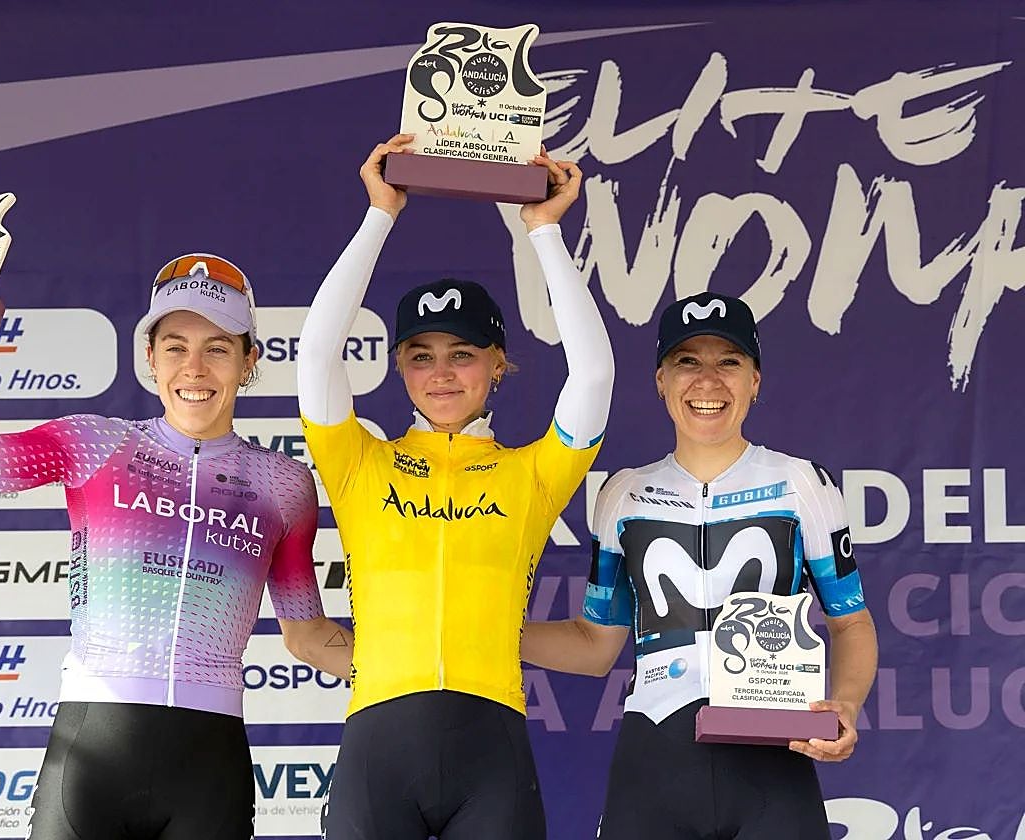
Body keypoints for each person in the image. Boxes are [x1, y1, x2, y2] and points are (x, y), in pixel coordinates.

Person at [0, 250, 354, 840]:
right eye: (175, 347)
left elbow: (307, 635)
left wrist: (439, 674)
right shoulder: (96, 444)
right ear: (150, 358)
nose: (194, 369)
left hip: (209, 762)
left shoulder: (284, 483)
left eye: (218, 349)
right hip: (91, 750)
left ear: (250, 360)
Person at [296, 134, 614, 840]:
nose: (442, 373)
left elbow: (592, 377)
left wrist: (546, 234)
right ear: (401, 369)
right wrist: (380, 213)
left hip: (491, 750)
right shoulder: (358, 461)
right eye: (421, 356)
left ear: (498, 365)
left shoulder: (531, 473)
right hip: (379, 747)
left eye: (463, 355)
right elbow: (317, 351)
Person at [522, 291, 878, 839]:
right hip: (656, 758)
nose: (707, 382)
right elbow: (595, 644)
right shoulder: (623, 493)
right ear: (660, 380)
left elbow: (851, 622)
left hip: (774, 760)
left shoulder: (801, 483)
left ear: (755, 380)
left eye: (728, 362)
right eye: (687, 361)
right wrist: (482, 634)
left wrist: (846, 706)